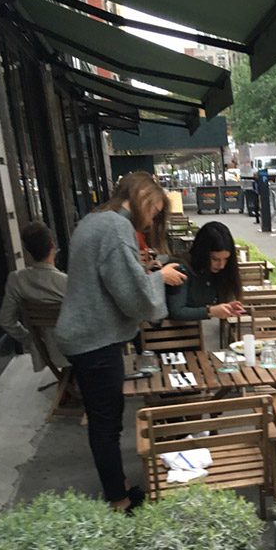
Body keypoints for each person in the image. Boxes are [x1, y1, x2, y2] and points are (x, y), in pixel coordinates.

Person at [55, 172, 187, 513]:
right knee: (106, 423)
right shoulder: (116, 227)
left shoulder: (93, 220)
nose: (153, 218)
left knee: (106, 420)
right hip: (93, 338)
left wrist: (147, 273)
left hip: (86, 335)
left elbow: (114, 281)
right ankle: (119, 500)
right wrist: (161, 276)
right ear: (144, 198)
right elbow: (134, 297)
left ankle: (120, 485)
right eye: (155, 210)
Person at [0, 222, 68, 372]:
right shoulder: (67, 283)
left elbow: (5, 320)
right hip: (76, 351)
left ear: (27, 249)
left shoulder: (16, 280)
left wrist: (32, 341)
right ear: (52, 244)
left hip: (45, 351)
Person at [166, 221, 245, 323]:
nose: (221, 265)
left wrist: (226, 307)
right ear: (202, 254)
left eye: (226, 259)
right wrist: (211, 311)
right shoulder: (180, 269)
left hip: (195, 330)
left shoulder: (217, 271)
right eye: (215, 259)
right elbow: (177, 311)